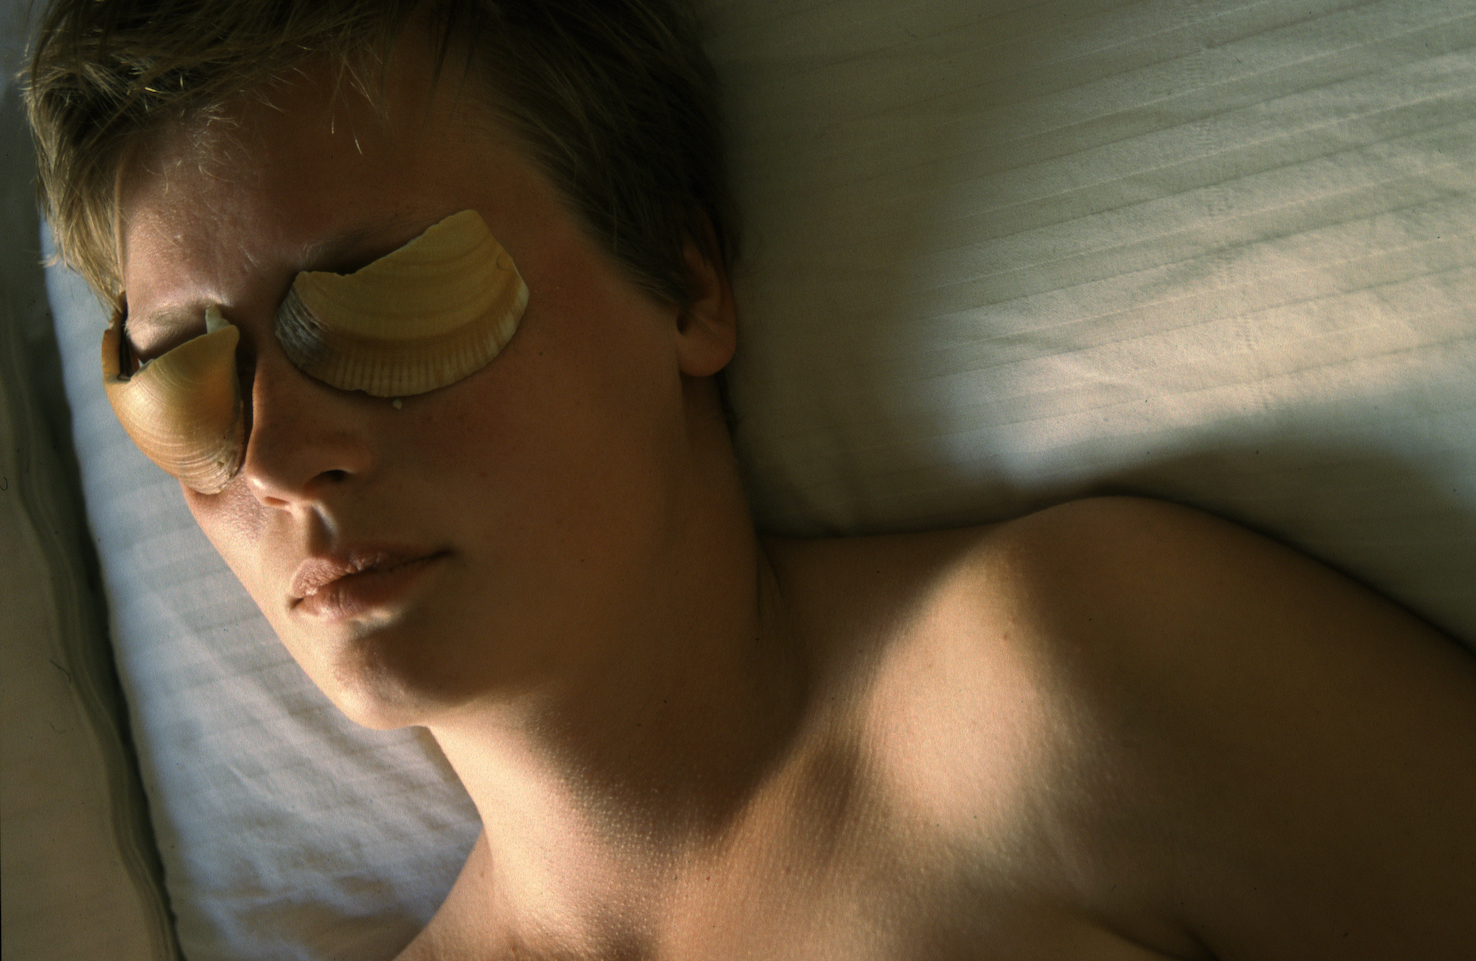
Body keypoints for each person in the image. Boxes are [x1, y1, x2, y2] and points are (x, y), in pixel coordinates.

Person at [24, 0, 1476, 957]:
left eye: (392, 299)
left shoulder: (1068, 688)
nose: (279, 456)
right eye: (185, 379)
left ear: (689, 283)